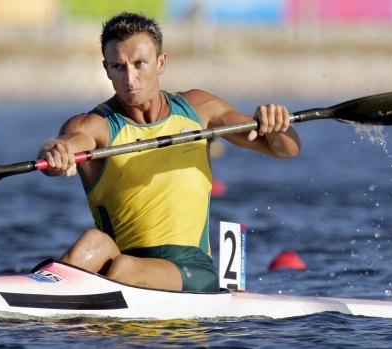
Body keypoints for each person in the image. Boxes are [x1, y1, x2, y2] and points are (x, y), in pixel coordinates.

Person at [38, 12, 300, 292]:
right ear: (107, 69)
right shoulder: (95, 124)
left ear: (161, 62)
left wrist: (275, 124)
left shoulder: (199, 110)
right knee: (94, 242)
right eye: (118, 66)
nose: (130, 78)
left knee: (124, 267)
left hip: (191, 270)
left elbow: (287, 149)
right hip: (122, 262)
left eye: (140, 64)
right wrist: (56, 152)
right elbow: (68, 142)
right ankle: (40, 293)